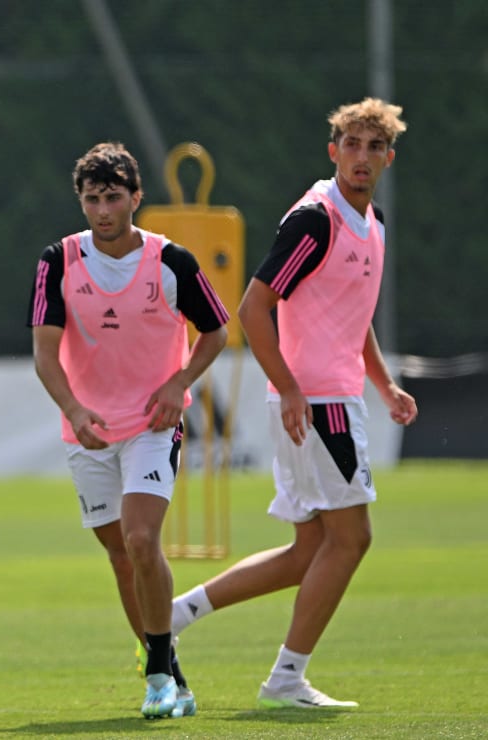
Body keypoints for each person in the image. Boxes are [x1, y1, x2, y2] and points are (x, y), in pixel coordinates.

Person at [170, 98, 419, 708]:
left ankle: (173, 614)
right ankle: (286, 679)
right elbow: (254, 309)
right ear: (333, 152)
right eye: (351, 145)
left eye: (374, 147)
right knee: (352, 538)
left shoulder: (373, 223)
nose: (362, 157)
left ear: (389, 156)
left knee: (309, 550)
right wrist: (288, 387)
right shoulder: (316, 219)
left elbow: (354, 317)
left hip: (335, 396)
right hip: (317, 401)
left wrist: (384, 384)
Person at [28, 142, 230, 718]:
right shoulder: (59, 261)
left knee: (143, 540)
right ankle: (171, 674)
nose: (102, 210)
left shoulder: (172, 262)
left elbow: (215, 330)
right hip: (87, 431)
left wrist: (179, 384)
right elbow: (44, 353)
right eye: (92, 199)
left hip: (151, 425)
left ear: (136, 197)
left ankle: (158, 676)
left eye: (113, 197)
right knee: (120, 556)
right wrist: (72, 410)